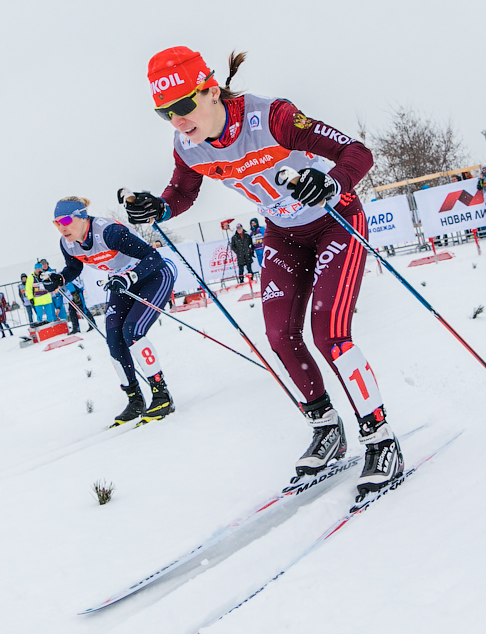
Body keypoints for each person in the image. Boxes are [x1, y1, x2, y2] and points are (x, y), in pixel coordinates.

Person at [120, 47, 402, 494]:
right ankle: (327, 428)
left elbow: (356, 152)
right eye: (164, 113)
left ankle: (380, 437)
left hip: (335, 223)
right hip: (283, 234)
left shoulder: (272, 118)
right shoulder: (187, 144)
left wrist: (332, 182)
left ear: (211, 90)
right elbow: (182, 190)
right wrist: (160, 207)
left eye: (183, 106)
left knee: (330, 334)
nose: (177, 120)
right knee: (278, 336)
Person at [51, 196, 175, 424]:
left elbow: (154, 258)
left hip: (153, 277)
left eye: (66, 220)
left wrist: (131, 277)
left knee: (132, 332)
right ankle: (135, 400)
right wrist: (59, 278)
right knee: (114, 339)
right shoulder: (67, 243)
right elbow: (74, 267)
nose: (62, 227)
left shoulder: (109, 233)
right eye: (56, 223)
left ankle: (162, 396)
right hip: (122, 282)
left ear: (82, 216)